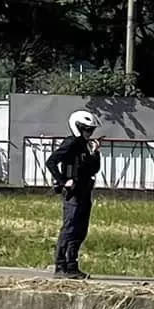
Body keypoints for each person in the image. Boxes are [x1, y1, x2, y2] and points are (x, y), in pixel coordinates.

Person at [46, 110, 102, 279]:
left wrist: (95, 153)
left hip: (85, 191)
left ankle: (72, 266)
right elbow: (51, 162)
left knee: (81, 230)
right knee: (70, 229)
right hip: (73, 193)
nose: (89, 133)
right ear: (78, 127)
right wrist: (63, 181)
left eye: (91, 130)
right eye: (86, 129)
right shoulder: (70, 143)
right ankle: (61, 266)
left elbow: (93, 169)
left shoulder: (84, 145)